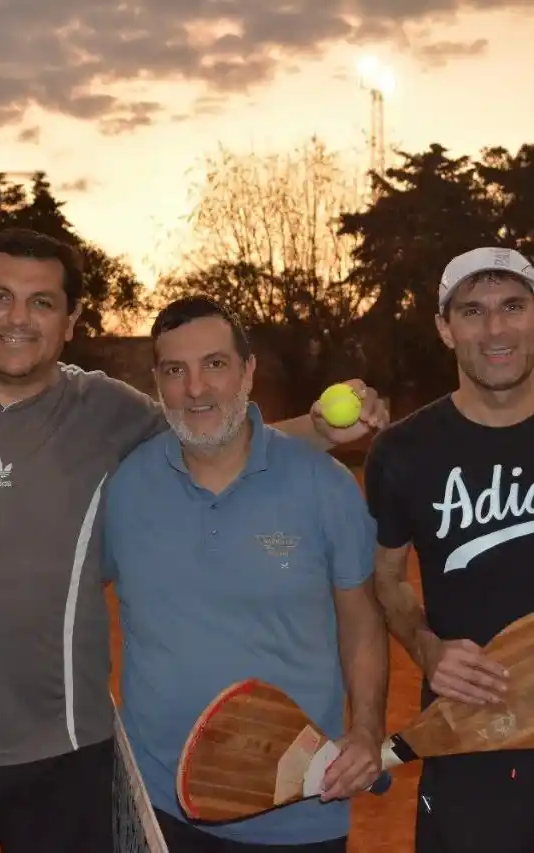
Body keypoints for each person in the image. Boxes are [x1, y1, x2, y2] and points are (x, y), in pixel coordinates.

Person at [0, 227, 390, 853]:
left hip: (69, 757)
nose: (19, 318)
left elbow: (211, 432)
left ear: (71, 321)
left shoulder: (108, 410)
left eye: (42, 302)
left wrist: (317, 430)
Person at [102, 295, 388, 852]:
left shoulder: (325, 485)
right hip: (158, 808)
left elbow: (362, 622)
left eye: (215, 364)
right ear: (157, 383)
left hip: (298, 808)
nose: (196, 388)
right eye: (175, 371)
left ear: (248, 372)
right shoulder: (126, 486)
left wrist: (367, 729)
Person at [364, 246, 534, 853]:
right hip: (468, 732)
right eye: (472, 311)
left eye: (513, 306)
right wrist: (428, 649)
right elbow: (387, 579)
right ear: (445, 328)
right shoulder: (403, 452)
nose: (496, 330)